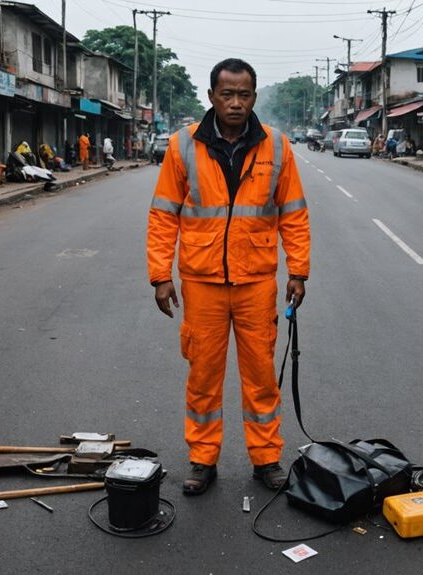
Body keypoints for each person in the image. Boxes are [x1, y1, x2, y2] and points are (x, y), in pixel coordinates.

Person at [147, 58, 310, 496]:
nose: (236, 103)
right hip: (202, 284)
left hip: (257, 281)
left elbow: (294, 213)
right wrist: (160, 275)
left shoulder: (277, 147)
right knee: (203, 377)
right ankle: (202, 460)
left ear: (254, 97)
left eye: (244, 94)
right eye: (227, 94)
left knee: (260, 376)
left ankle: (266, 458)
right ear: (212, 97)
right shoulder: (182, 146)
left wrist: (299, 269)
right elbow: (163, 215)